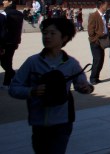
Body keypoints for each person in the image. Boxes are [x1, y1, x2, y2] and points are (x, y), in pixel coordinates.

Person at [10, 18, 94, 154]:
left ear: (64, 38)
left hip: (63, 121)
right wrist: (32, 91)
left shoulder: (71, 63)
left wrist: (86, 88)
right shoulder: (32, 62)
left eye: (52, 33)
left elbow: (81, 84)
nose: (47, 37)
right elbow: (14, 88)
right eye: (45, 33)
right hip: (39, 121)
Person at [1, 0, 24, 88]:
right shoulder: (20, 14)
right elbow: (20, 29)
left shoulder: (4, 14)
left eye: (5, 0)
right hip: (14, 41)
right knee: (8, 61)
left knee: (4, 63)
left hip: (4, 41)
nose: (3, 2)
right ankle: (7, 83)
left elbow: (2, 29)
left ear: (10, 2)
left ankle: (15, 77)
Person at [87, 0, 110, 85]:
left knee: (101, 59)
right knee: (97, 59)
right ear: (101, 6)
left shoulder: (105, 15)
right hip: (96, 41)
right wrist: (94, 39)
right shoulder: (94, 15)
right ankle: (93, 77)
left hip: (103, 40)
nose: (107, 6)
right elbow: (90, 30)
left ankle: (96, 77)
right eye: (106, 5)